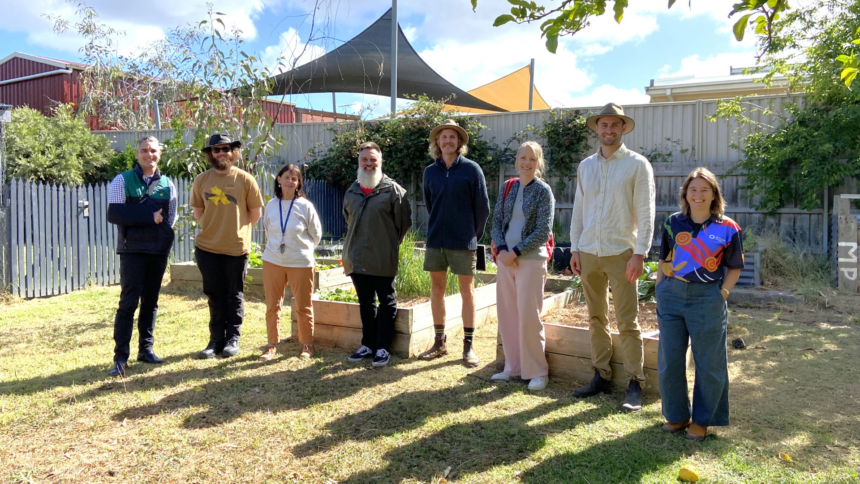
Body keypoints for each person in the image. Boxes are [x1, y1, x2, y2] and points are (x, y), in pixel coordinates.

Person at [569, 103, 656, 412]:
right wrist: (575, 247)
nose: (608, 130)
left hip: (622, 252)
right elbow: (579, 209)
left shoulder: (637, 165)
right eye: (603, 125)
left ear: (623, 129)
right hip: (590, 250)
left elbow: (646, 213)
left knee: (628, 320)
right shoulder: (585, 166)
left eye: (614, 126)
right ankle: (601, 375)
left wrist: (640, 253)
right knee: (595, 317)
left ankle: (635, 382)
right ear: (597, 128)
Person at [656, 167, 743, 441]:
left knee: (709, 362)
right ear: (685, 193)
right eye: (693, 189)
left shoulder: (728, 228)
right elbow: (664, 258)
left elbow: (734, 266)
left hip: (707, 298)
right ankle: (677, 415)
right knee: (669, 360)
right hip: (671, 296)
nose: (698, 194)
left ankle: (703, 419)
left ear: (714, 194)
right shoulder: (672, 222)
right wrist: (660, 287)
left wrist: (723, 293)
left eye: (704, 189)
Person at [419, 119, 490, 367]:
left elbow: (482, 208)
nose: (447, 140)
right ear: (437, 143)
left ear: (459, 142)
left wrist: (472, 235)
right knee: (436, 290)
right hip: (435, 241)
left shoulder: (472, 170)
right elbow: (431, 205)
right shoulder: (430, 172)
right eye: (443, 137)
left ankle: (468, 347)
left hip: (464, 242)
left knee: (466, 293)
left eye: (452, 137)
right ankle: (440, 343)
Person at [105, 136, 177, 377]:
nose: (149, 154)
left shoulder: (168, 183)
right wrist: (149, 217)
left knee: (151, 302)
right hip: (132, 251)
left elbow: (171, 217)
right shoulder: (121, 180)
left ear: (160, 154)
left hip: (157, 251)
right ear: (137, 154)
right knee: (128, 304)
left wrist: (161, 232)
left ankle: (145, 350)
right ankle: (120, 358)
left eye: (153, 150)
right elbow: (115, 213)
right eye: (144, 150)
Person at [190, 134, 264, 359]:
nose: (221, 153)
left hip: (235, 248)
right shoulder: (201, 180)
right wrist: (214, 229)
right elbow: (198, 212)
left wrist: (235, 231)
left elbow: (255, 214)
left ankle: (233, 339)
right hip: (207, 248)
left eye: (226, 149)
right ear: (211, 154)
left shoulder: (245, 179)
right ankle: (215, 341)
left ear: (234, 152)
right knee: (214, 295)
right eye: (217, 150)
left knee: (234, 294)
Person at [490, 141, 555, 391]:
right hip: (506, 261)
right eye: (522, 158)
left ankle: (537, 371)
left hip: (531, 260)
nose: (526, 163)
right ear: (516, 160)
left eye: (532, 159)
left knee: (529, 316)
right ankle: (513, 368)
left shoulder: (543, 191)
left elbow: (543, 231)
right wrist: (503, 251)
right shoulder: (508, 187)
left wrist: (515, 251)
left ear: (539, 164)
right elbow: (496, 221)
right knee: (507, 315)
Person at [342, 142, 412, 367]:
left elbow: (403, 224)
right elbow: (349, 219)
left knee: (387, 302)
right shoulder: (351, 191)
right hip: (357, 257)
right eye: (365, 159)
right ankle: (368, 345)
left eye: (373, 160)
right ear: (359, 162)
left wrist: (386, 243)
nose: (369, 163)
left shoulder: (394, 191)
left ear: (380, 162)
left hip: (383, 258)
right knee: (365, 303)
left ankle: (383, 348)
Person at [259, 164, 322, 360]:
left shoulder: (305, 206)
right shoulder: (270, 205)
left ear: (298, 184)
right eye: (286, 177)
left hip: (300, 262)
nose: (289, 182)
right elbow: (268, 230)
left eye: (294, 179)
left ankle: (307, 344)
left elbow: (316, 234)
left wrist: (302, 251)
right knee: (272, 305)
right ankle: (271, 344)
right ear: (279, 179)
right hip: (273, 261)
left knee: (303, 305)